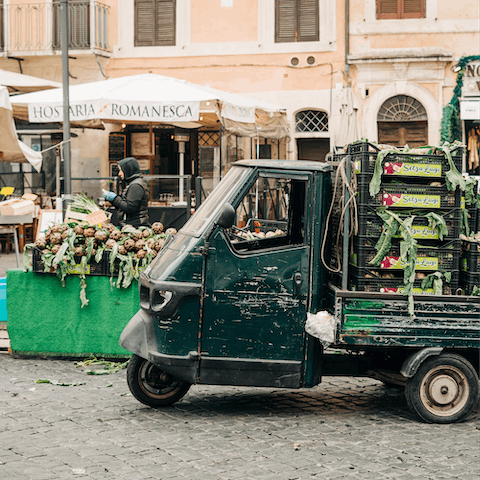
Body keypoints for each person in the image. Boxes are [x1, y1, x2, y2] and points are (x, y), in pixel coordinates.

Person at [103, 157, 150, 228]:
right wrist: (112, 201)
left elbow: (129, 208)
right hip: (130, 225)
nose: (119, 173)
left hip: (135, 226)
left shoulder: (136, 186)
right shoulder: (133, 183)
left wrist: (115, 198)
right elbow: (124, 205)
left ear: (128, 170)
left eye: (121, 170)